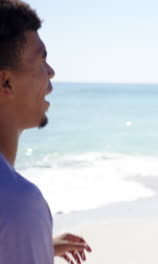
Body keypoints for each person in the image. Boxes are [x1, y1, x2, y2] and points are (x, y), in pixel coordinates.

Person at [0, 0, 92, 263]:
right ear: (6, 82)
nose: (51, 73)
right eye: (42, 60)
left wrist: (36, 245)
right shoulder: (18, 204)